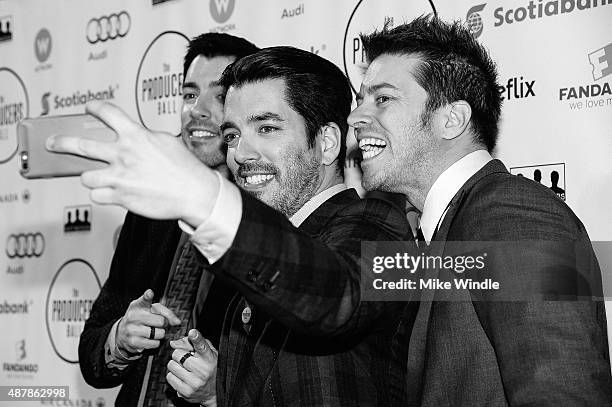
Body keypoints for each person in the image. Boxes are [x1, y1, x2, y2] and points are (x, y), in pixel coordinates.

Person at [49, 46, 410, 406]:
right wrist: (217, 394)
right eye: (233, 135)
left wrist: (202, 196)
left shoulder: (377, 226)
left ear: (327, 142)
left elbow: (331, 298)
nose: (240, 154)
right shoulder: (248, 259)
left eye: (267, 128)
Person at [347, 15, 612, 405]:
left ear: (451, 119)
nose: (355, 117)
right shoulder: (446, 226)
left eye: (382, 99)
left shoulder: (513, 214)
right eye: (360, 100)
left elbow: (565, 394)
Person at [77, 33, 259, 407]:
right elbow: (92, 355)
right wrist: (120, 338)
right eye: (190, 95)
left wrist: (218, 391)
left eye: (219, 96)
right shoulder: (150, 208)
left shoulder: (271, 222)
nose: (198, 110)